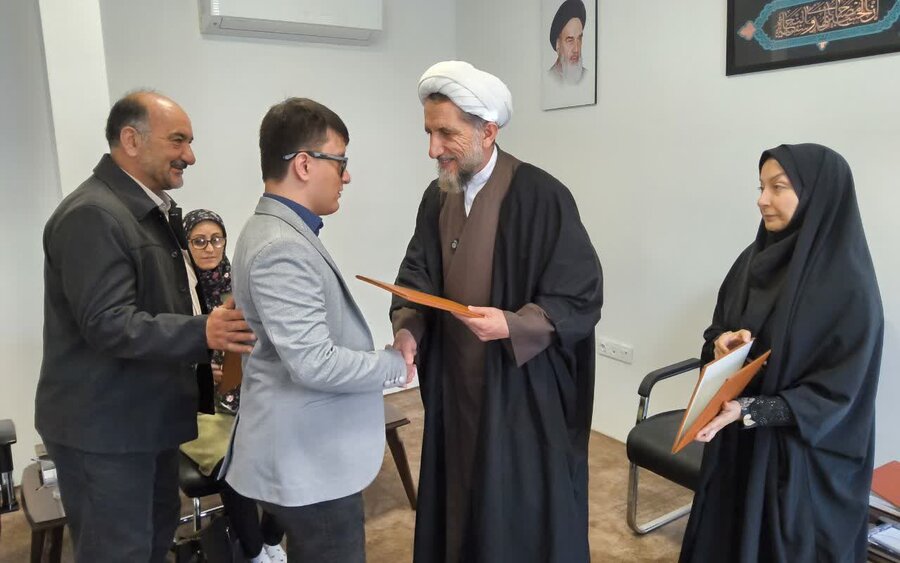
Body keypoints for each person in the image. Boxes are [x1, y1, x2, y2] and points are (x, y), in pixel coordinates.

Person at [391, 61, 603, 562]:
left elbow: (580, 292)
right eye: (429, 133)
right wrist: (409, 328)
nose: (433, 149)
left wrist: (513, 323)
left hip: (518, 389)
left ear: (488, 131)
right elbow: (417, 272)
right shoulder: (437, 196)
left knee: (515, 513)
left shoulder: (541, 196)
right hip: (453, 383)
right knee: (457, 495)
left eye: (446, 134)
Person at [36, 90, 255, 562]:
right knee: (120, 551)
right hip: (105, 432)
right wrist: (203, 332)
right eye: (178, 141)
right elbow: (107, 323)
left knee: (153, 539)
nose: (190, 156)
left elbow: (155, 307)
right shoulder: (93, 215)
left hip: (145, 420)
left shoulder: (145, 211)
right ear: (131, 140)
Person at [221, 97, 412, 563]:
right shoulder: (280, 246)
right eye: (340, 162)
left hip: (304, 448)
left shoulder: (274, 230)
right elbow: (314, 363)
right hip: (309, 460)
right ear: (304, 164)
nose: (346, 176)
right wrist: (393, 364)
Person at [680, 144, 883, 562]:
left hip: (800, 464)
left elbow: (838, 393)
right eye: (761, 187)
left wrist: (749, 410)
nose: (762, 200)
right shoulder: (752, 261)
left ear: (817, 195)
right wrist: (722, 343)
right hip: (735, 446)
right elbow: (717, 329)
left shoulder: (849, 287)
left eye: (779, 187)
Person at [179, 209, 286, 563]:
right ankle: (254, 553)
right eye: (198, 241)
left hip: (251, 393)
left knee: (293, 448)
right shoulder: (178, 292)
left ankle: (270, 539)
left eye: (216, 239)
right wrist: (197, 369)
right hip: (200, 407)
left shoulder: (241, 284)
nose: (209, 248)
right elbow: (160, 351)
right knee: (234, 464)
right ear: (186, 245)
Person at [547, 0, 587, 85]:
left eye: (579, 39)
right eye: (570, 40)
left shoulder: (587, 76)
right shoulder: (548, 78)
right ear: (558, 44)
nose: (576, 49)